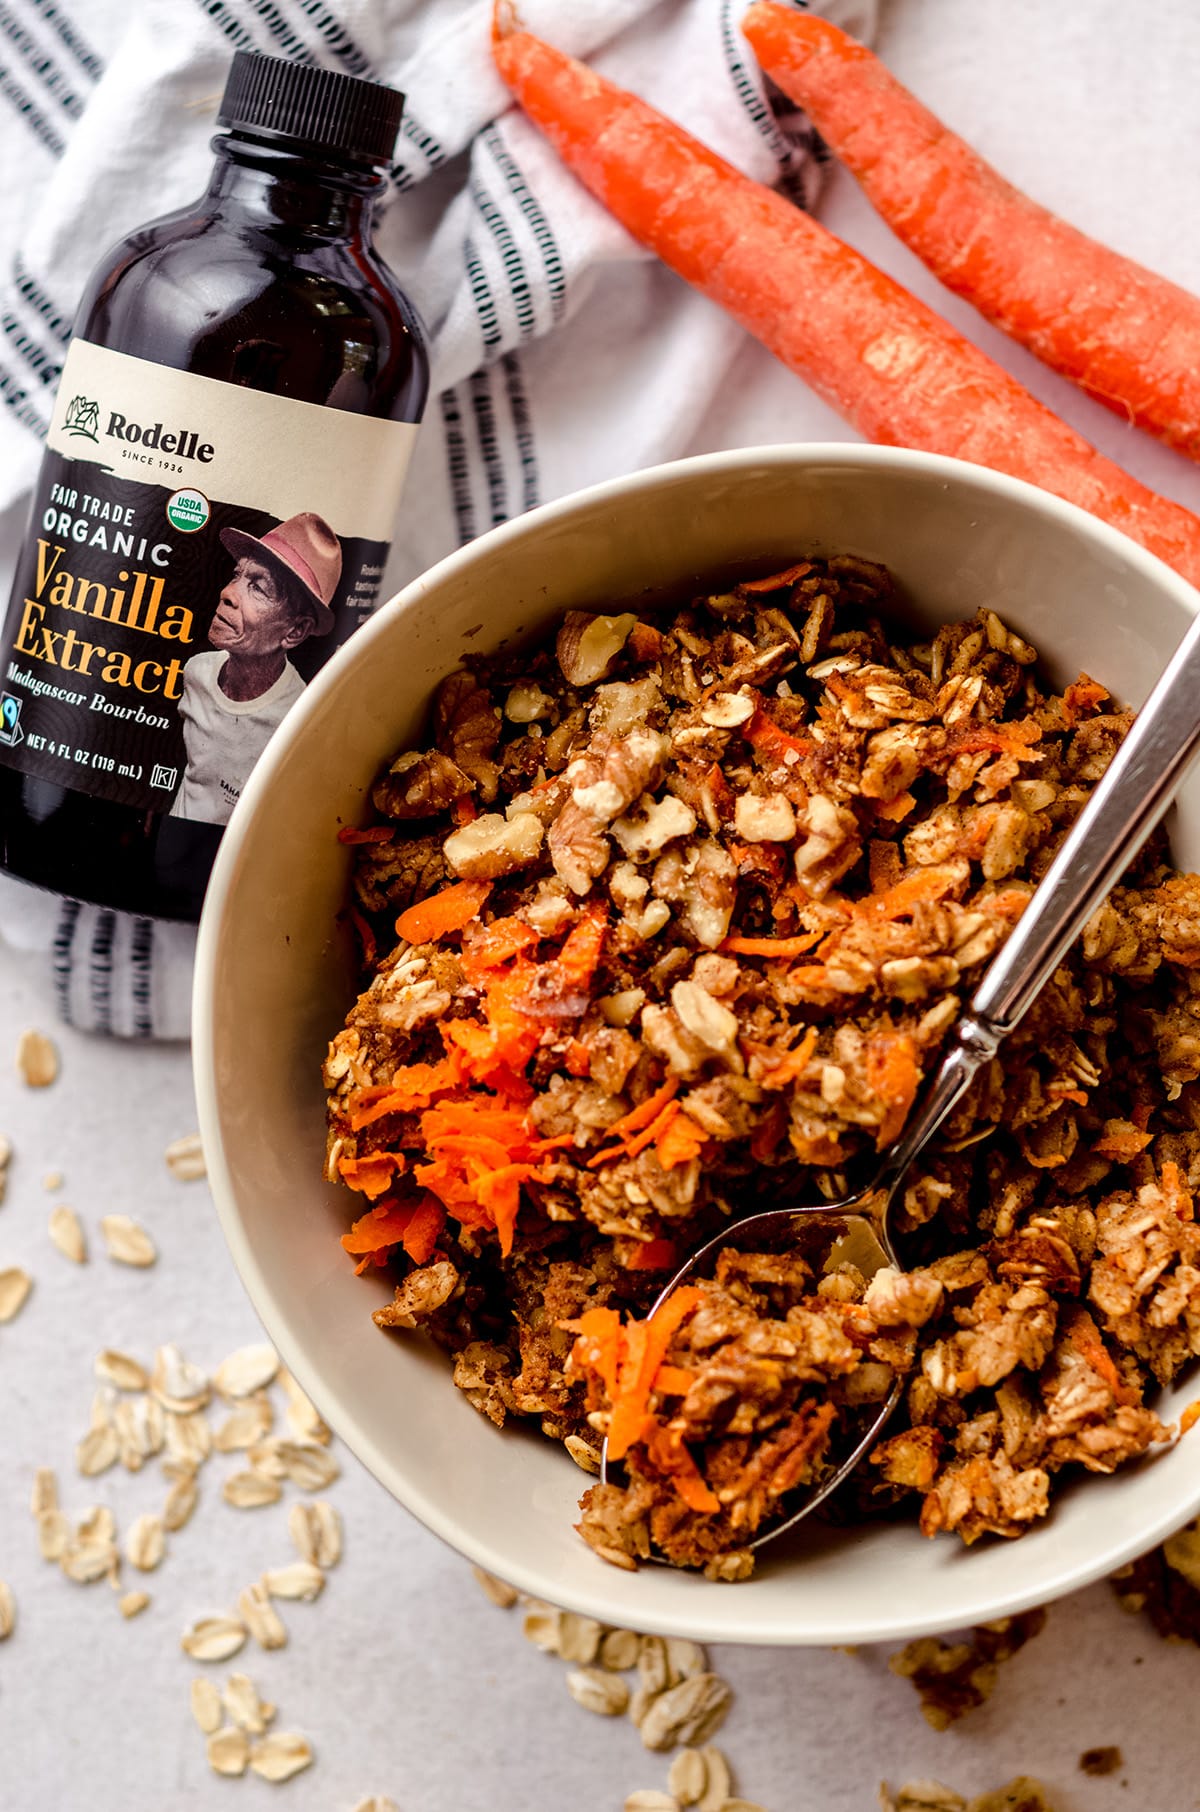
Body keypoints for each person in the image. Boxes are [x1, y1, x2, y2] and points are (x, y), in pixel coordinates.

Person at [170, 510, 340, 825]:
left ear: (295, 632)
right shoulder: (197, 672)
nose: (228, 594)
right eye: (237, 576)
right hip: (168, 847)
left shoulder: (298, 721)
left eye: (259, 588)